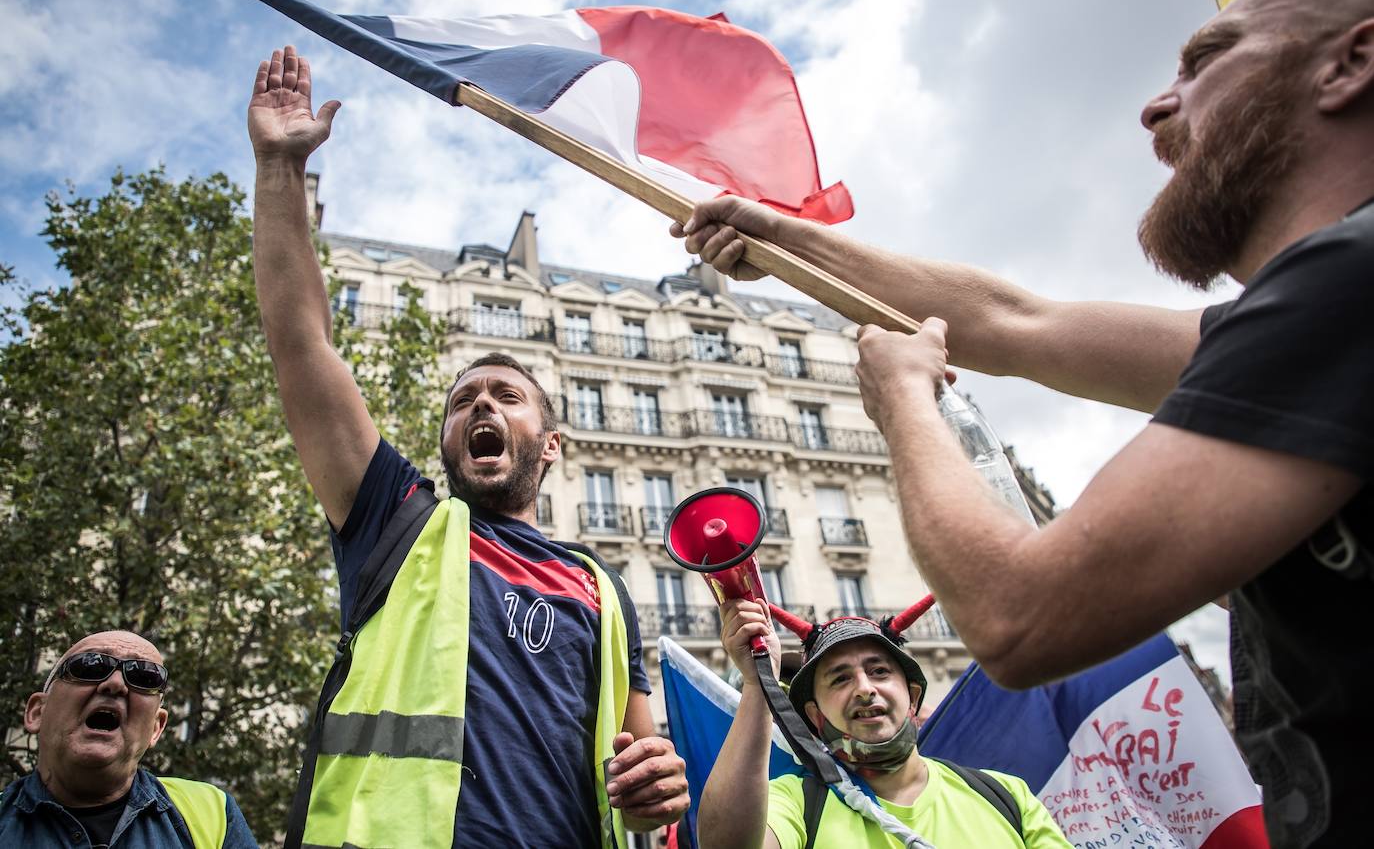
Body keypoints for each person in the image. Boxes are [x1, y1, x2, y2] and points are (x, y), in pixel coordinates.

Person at [675, 0, 1374, 848]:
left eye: (1208, 60)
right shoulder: (1303, 318)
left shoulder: (1346, 289)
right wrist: (788, 244)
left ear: (1352, 63)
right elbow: (1014, 322)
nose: (1156, 108)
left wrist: (904, 402)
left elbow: (1017, 616)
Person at [247, 46, 688, 847]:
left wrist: (656, 784)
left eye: (505, 395)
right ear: (449, 440)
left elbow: (642, 755)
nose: (480, 402)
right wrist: (280, 170)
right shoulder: (398, 522)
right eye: (462, 401)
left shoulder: (603, 590)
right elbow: (300, 345)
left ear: (550, 445)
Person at [697, 600, 1070, 849]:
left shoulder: (1007, 796)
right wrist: (756, 681)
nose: (864, 689)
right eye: (840, 679)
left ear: (913, 697)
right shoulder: (793, 801)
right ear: (814, 716)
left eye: (878, 671)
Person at [0, 630, 257, 847]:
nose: (115, 684)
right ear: (37, 712)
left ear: (156, 728)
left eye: (145, 676)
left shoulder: (213, 813)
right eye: (90, 665)